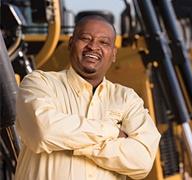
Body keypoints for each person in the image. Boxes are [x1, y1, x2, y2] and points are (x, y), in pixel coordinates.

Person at [15, 15, 161, 180]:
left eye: (103, 42)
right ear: (70, 44)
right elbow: (43, 131)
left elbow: (141, 161)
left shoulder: (127, 99)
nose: (93, 47)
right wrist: (112, 131)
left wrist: (75, 142)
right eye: (85, 38)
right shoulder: (39, 82)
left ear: (113, 54)